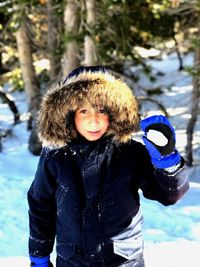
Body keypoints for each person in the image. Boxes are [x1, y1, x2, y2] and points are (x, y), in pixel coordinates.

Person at [27, 66, 189, 267]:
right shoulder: (55, 156)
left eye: (101, 110)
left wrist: (167, 163)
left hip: (122, 260)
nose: (93, 121)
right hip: (72, 260)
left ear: (114, 112)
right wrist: (39, 256)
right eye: (83, 110)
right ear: (69, 114)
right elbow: (40, 205)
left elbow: (169, 194)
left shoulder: (129, 152)